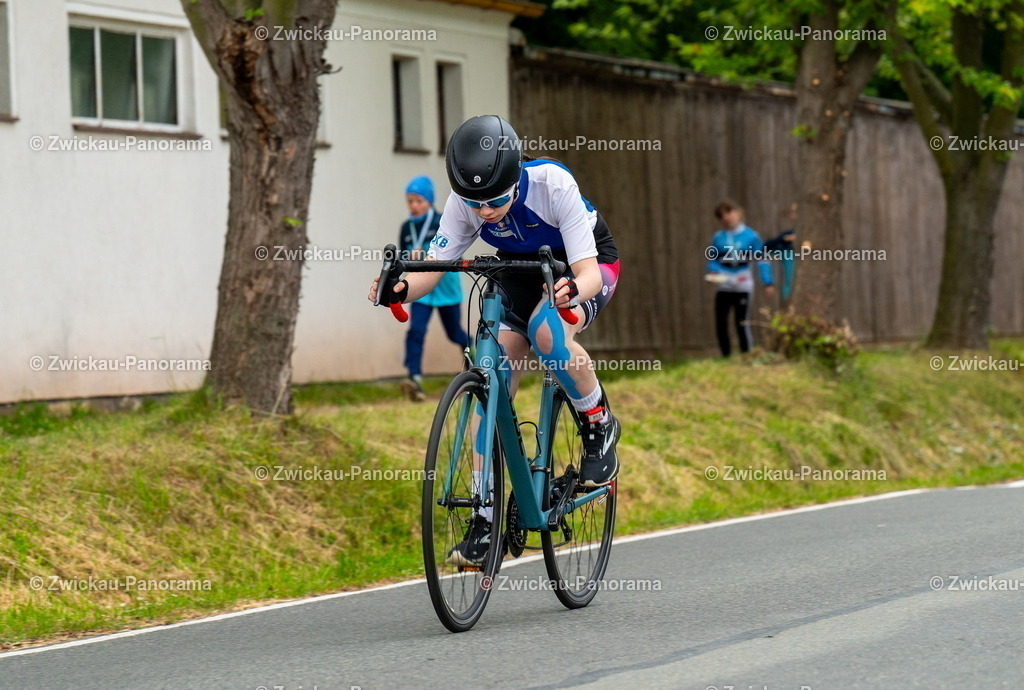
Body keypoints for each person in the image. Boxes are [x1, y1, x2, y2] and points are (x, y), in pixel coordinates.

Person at [369, 115, 622, 565]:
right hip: (519, 269)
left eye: (497, 201)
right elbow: (435, 263)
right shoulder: (465, 202)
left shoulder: (552, 184)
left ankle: (599, 423)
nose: (485, 212)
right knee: (492, 382)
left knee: (548, 333)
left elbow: (586, 272)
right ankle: (485, 520)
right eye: (475, 203)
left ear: (516, 179)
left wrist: (570, 292)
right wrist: (400, 288)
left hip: (583, 266)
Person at [398, 176, 471, 402]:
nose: (414, 206)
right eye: (410, 201)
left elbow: (456, 250)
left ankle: (477, 358)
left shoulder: (442, 221)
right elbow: (402, 257)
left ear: (429, 201)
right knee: (416, 331)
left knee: (454, 333)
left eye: (419, 200)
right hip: (422, 292)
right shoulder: (407, 228)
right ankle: (415, 379)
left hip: (446, 289)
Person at [706, 200, 774, 357]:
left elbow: (762, 259)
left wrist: (767, 281)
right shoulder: (718, 237)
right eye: (721, 216)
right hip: (724, 283)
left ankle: (746, 355)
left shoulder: (751, 236)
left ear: (738, 212)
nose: (726, 218)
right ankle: (725, 356)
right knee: (721, 321)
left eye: (728, 213)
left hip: (742, 282)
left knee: (741, 322)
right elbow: (713, 258)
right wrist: (713, 271)